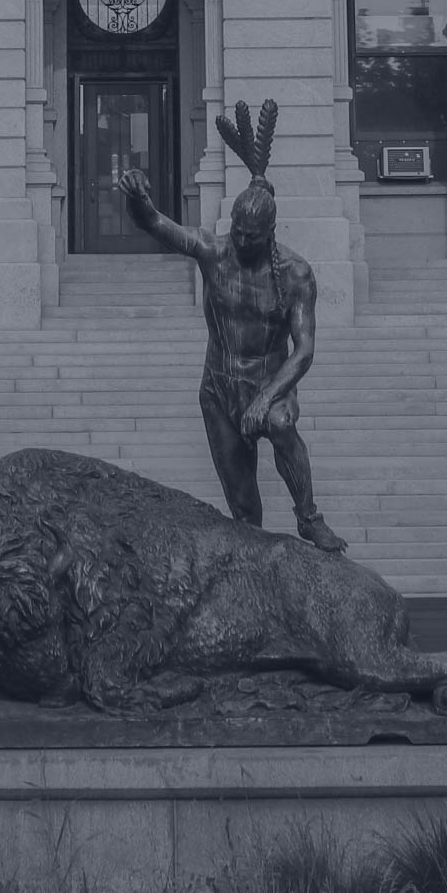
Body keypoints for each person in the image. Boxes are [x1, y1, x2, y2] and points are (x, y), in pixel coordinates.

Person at [124, 95, 347, 554]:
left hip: (270, 381)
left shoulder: (296, 273)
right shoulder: (213, 251)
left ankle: (309, 516)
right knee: (244, 508)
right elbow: (156, 225)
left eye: (252, 237)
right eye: (238, 232)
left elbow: (304, 351)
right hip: (220, 387)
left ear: (271, 231)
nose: (242, 241)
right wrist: (138, 197)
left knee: (282, 425)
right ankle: (257, 571)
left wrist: (266, 398)